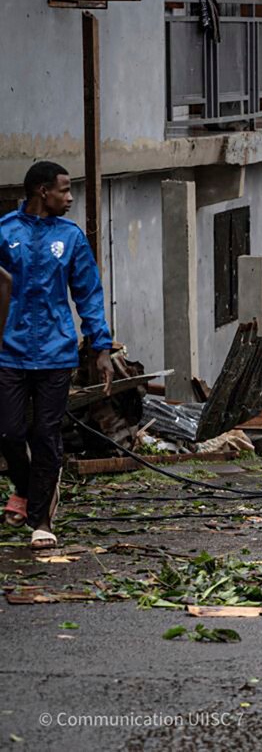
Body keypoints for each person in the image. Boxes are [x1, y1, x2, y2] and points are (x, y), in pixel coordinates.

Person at [0, 161, 114, 550]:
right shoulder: (4, 232)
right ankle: (27, 490)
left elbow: (89, 293)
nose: (69, 198)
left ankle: (41, 521)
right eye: (64, 191)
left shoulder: (71, 237)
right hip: (8, 352)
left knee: (45, 435)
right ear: (41, 191)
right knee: (9, 433)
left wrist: (100, 347)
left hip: (55, 352)